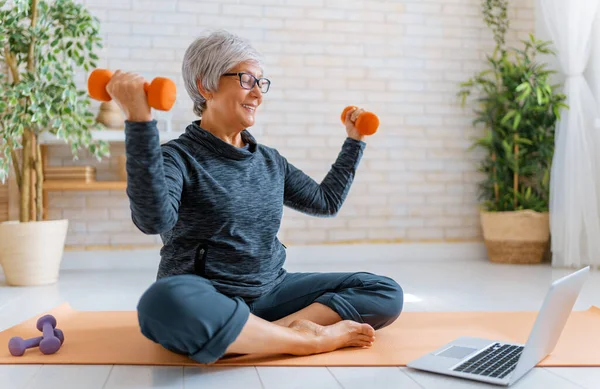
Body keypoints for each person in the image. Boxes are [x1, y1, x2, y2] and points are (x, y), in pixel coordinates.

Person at [106, 29, 404, 365]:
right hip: (208, 298)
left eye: (261, 83)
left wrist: (355, 140)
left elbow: (326, 201)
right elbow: (153, 220)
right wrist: (140, 120)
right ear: (207, 85)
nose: (258, 94)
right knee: (162, 302)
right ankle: (302, 339)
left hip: (272, 292)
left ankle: (265, 334)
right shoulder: (177, 157)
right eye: (248, 80)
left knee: (384, 291)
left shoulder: (269, 161)